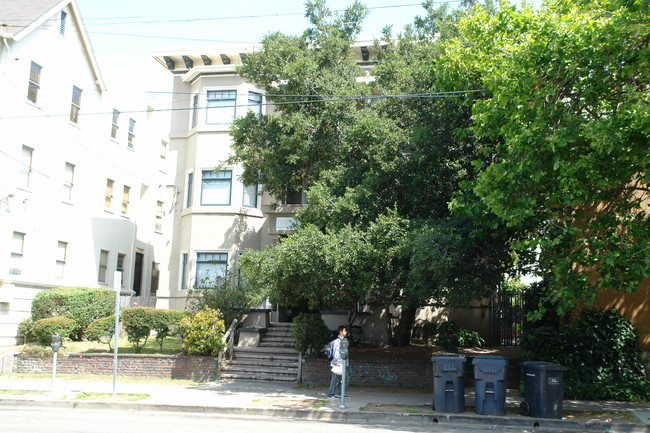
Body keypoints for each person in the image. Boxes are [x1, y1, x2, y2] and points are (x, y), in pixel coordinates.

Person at [327, 325, 349, 399]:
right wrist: (337, 362)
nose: (346, 332)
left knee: (344, 379)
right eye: (344, 330)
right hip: (338, 364)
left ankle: (340, 393)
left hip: (342, 363)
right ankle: (331, 394)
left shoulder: (344, 340)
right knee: (335, 379)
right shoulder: (337, 341)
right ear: (340, 332)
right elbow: (336, 352)